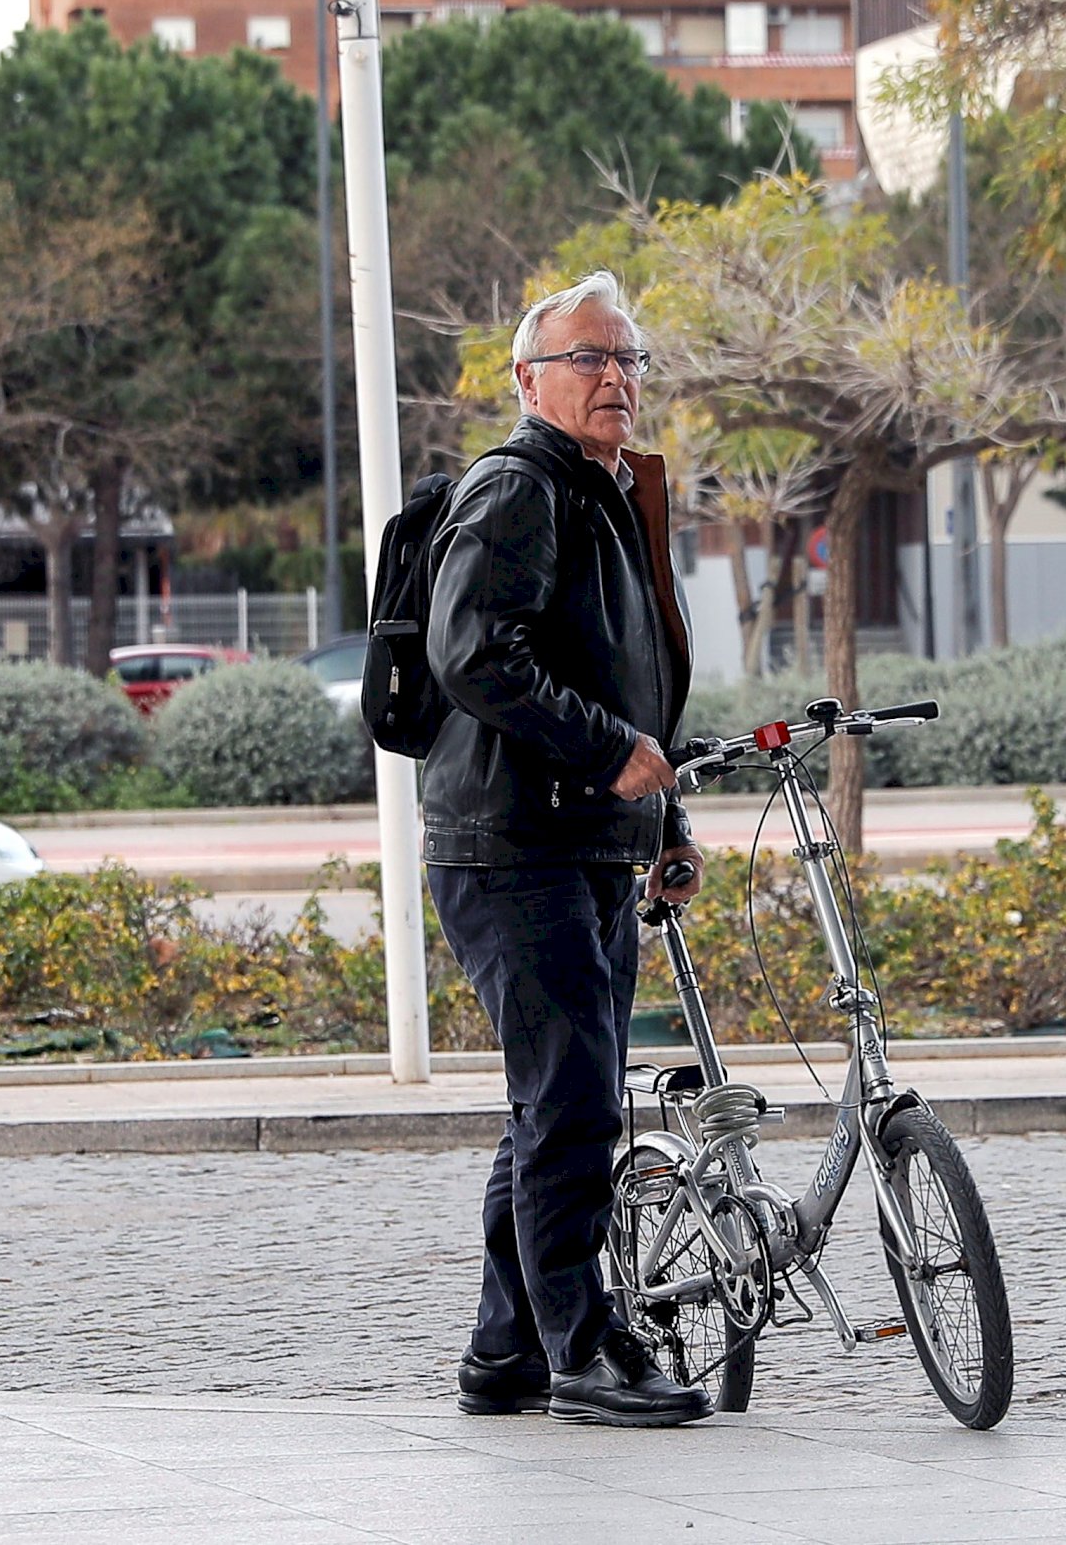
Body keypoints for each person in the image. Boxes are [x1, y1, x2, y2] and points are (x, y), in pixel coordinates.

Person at [421, 271, 710, 1428]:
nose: (615, 380)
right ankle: (580, 1349)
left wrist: (664, 820)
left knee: (555, 1099)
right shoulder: (515, 489)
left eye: (628, 360)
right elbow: (473, 655)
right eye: (589, 358)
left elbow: (636, 689)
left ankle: (505, 1354)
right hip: (509, 842)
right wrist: (605, 753)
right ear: (528, 378)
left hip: (581, 837)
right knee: (576, 1102)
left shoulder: (606, 495)